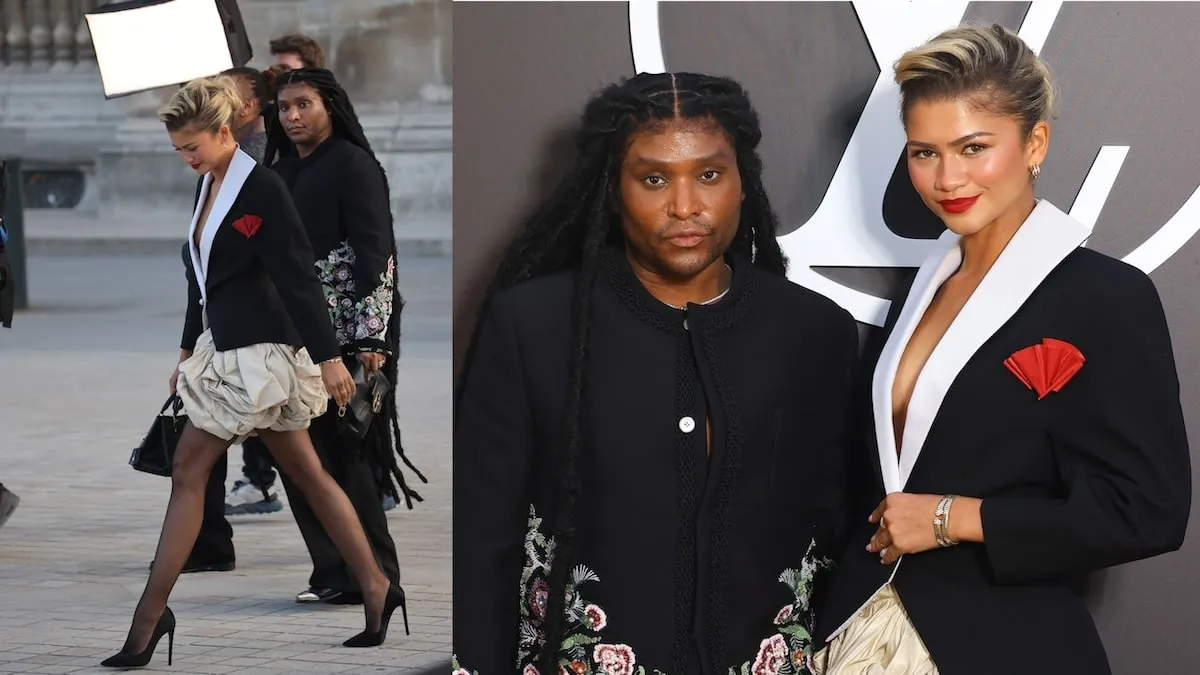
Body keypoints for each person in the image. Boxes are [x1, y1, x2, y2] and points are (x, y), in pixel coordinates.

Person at [811, 24, 1191, 675]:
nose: (946, 177)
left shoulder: (1105, 297)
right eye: (924, 152)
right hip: (862, 632)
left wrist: (955, 517)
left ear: (1034, 142)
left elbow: (1148, 510)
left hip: (1005, 641)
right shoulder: (922, 287)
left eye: (973, 147)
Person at [451, 72, 860, 674]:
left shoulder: (815, 331)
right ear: (613, 191)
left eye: (710, 175)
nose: (686, 206)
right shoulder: (534, 326)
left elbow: (840, 533)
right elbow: (482, 541)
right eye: (653, 178)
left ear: (743, 182)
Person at [101, 76, 406, 669]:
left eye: (192, 146)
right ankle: (376, 585)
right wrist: (187, 350)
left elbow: (296, 275)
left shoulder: (260, 186)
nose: (186, 159)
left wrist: (328, 357)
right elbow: (200, 273)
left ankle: (149, 616)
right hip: (226, 350)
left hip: (262, 355)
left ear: (222, 132)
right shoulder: (208, 184)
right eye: (178, 150)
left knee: (190, 468)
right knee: (310, 474)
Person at [262, 66, 425, 606]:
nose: (292, 117)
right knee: (301, 460)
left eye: (303, 104)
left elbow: (376, 253)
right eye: (284, 108)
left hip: (351, 339)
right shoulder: (281, 173)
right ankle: (333, 571)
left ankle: (376, 574)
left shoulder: (354, 165)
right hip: (291, 334)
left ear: (330, 105)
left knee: (348, 455)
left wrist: (369, 340)